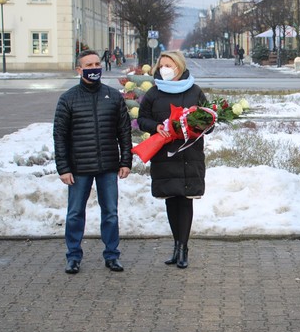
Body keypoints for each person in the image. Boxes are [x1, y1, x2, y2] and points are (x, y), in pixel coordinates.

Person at [53, 49, 132, 275]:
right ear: (79, 70)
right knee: (75, 213)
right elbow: (60, 136)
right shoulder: (68, 99)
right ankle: (73, 257)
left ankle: (112, 255)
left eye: (97, 64)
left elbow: (124, 132)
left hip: (108, 166)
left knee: (111, 213)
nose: (94, 68)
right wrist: (63, 168)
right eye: (88, 65)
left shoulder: (113, 96)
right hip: (79, 167)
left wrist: (125, 161)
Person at [137, 50, 208, 269]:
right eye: (161, 66)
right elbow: (142, 119)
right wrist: (156, 126)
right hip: (164, 154)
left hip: (189, 154)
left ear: (179, 66)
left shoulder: (194, 91)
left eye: (168, 65)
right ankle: (176, 246)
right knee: (170, 199)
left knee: (185, 200)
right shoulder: (154, 93)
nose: (164, 69)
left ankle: (184, 248)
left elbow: (208, 121)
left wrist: (196, 125)